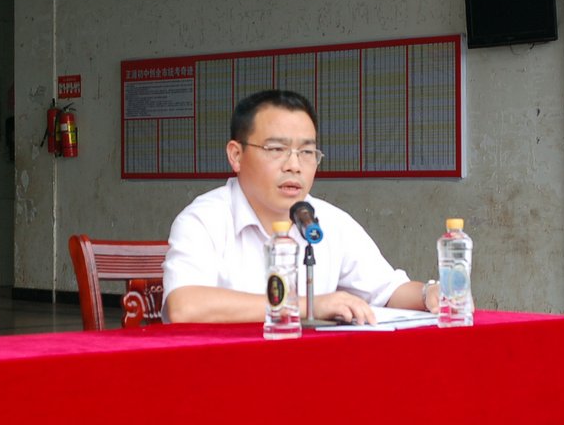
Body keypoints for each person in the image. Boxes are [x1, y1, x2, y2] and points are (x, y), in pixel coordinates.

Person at [162, 89, 439, 325]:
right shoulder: (203, 220)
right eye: (276, 149)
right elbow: (184, 307)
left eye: (307, 152)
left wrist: (430, 294)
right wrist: (307, 306)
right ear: (236, 155)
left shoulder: (330, 221)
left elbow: (389, 290)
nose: (294, 165)